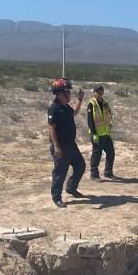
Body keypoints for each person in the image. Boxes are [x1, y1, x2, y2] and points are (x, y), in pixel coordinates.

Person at [47, 77, 86, 208]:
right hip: (61, 146)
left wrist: (80, 99)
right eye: (67, 92)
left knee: (80, 166)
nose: (69, 94)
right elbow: (51, 127)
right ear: (60, 94)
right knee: (60, 172)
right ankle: (56, 197)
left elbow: (74, 112)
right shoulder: (54, 108)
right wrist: (57, 147)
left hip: (71, 145)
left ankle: (71, 188)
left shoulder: (65, 107)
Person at [87, 84, 115, 181]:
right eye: (97, 91)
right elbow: (90, 120)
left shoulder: (105, 102)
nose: (99, 92)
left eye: (101, 90)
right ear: (94, 92)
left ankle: (108, 172)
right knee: (97, 154)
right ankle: (94, 175)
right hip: (97, 134)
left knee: (111, 153)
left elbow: (109, 114)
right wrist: (94, 134)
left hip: (106, 133)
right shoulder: (92, 103)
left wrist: (110, 121)